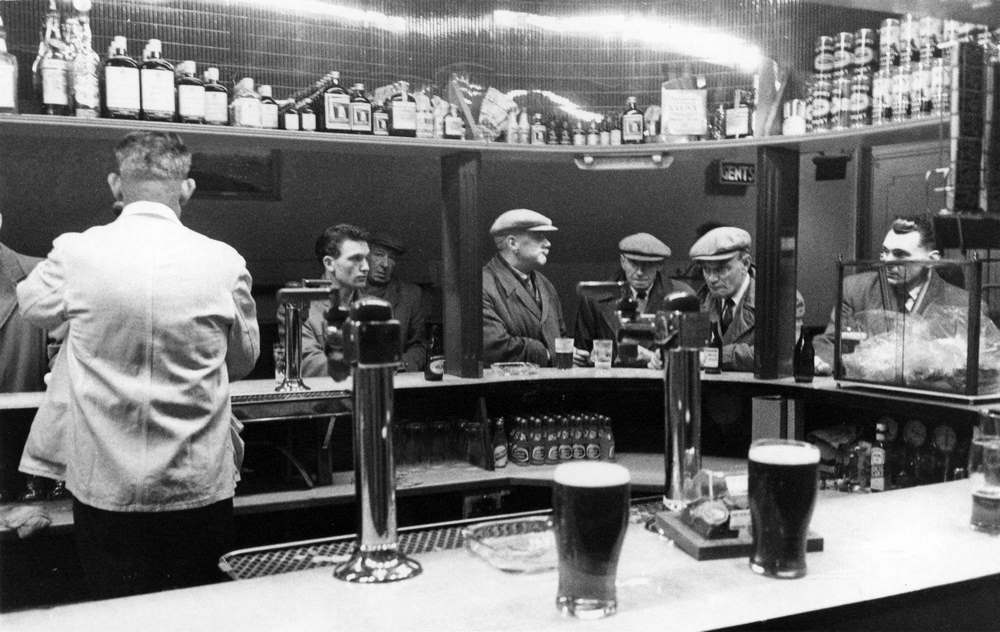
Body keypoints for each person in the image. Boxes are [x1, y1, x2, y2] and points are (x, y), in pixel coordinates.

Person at [16, 131, 260, 598]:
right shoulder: (224, 261)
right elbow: (244, 362)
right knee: (198, 614)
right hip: (197, 487)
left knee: (117, 613)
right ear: (186, 189)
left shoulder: (77, 252)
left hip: (106, 489)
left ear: (115, 185)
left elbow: (33, 307)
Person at [813, 215, 989, 371]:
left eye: (900, 254)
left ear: (931, 260)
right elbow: (829, 343)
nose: (887, 261)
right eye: (884, 252)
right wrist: (827, 362)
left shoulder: (965, 305)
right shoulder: (855, 291)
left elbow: (978, 364)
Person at [689, 226, 804, 371]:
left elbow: (783, 352)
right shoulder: (701, 299)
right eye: (706, 269)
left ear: (745, 263)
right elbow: (689, 349)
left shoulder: (781, 300)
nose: (712, 279)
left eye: (721, 269)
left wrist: (715, 356)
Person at [573, 232, 693, 368]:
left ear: (660, 265)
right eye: (634, 263)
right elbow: (581, 356)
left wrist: (653, 357)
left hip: (660, 384)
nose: (640, 272)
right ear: (623, 261)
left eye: (648, 264)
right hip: (610, 385)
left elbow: (693, 357)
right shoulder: (594, 298)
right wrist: (589, 357)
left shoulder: (682, 298)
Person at [283, 223, 370, 377]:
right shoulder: (298, 306)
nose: (366, 267)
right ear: (329, 263)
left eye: (366, 258)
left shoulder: (371, 307)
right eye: (356, 259)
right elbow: (308, 363)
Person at [482, 208, 565, 366]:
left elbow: (561, 336)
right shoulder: (482, 285)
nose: (548, 243)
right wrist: (549, 354)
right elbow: (493, 347)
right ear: (513, 243)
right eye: (539, 236)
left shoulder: (546, 285)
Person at [365, 231, 428, 372]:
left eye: (392, 258)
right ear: (365, 257)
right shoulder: (349, 292)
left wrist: (404, 364)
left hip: (397, 378)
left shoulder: (411, 295)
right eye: (379, 255)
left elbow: (419, 345)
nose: (385, 264)